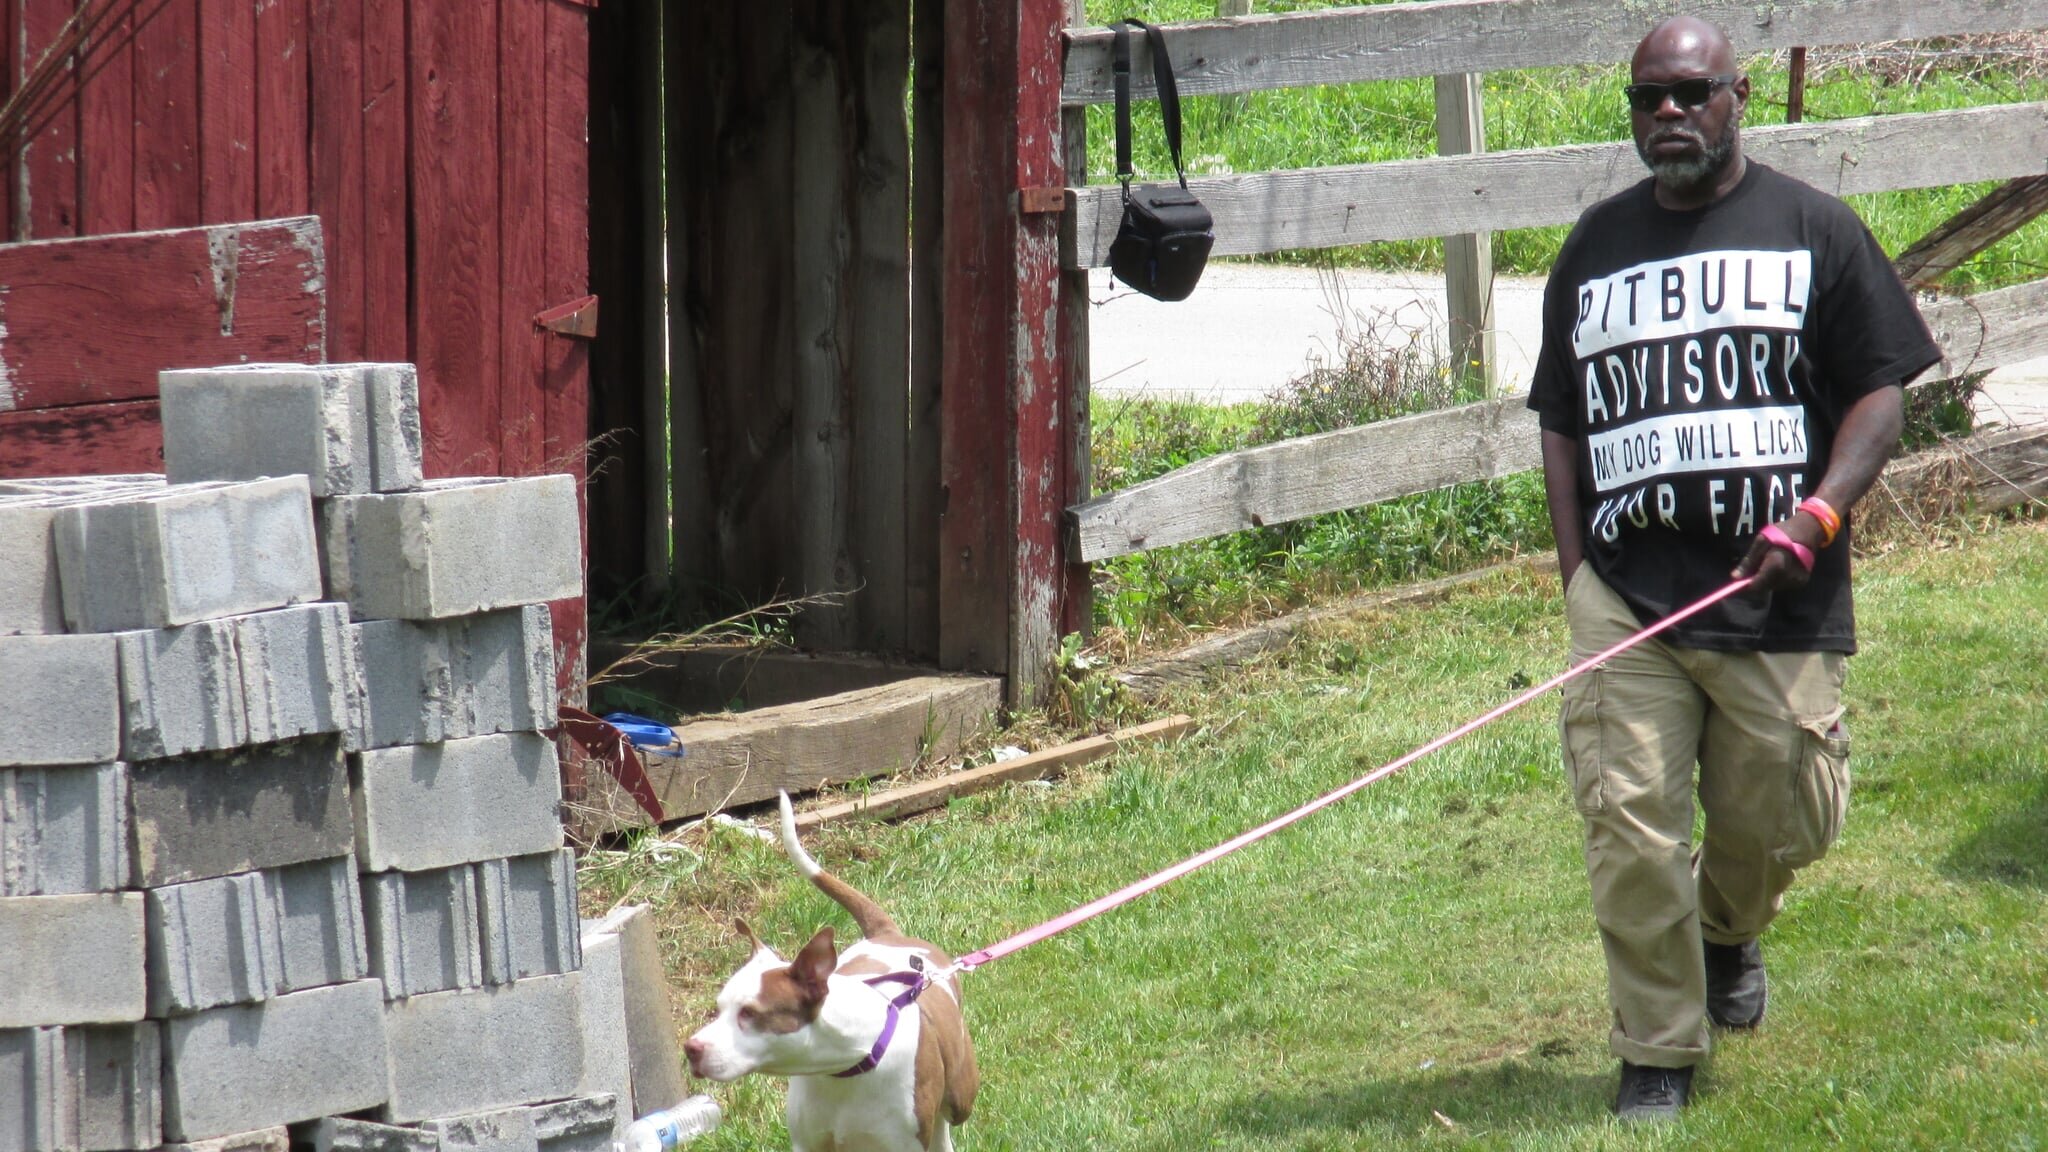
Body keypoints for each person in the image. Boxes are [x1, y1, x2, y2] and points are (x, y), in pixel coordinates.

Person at [1526, 15, 1942, 1122]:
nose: (1667, 114)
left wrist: (1816, 514)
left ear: (1736, 95)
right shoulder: (1593, 247)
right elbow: (1559, 423)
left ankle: (1726, 931)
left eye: (1689, 93)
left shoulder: (1814, 230)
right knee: (1628, 826)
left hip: (1774, 599)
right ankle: (1654, 1048)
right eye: (1646, 99)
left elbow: (1880, 390)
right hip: (1623, 600)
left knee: (1786, 821)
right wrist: (1576, 574)